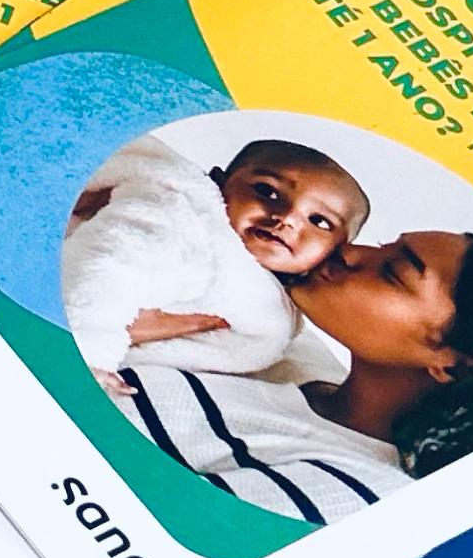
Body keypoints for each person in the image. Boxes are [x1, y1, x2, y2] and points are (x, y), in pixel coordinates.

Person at [114, 224, 473, 518]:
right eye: (383, 247)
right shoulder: (280, 344)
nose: (351, 252)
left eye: (394, 272)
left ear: (455, 366)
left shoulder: (350, 497)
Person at [63, 133, 366, 387]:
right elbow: (105, 265)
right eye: (267, 191)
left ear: (337, 250)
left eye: (319, 221)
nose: (286, 217)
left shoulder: (282, 309)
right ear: (220, 183)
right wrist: (91, 353)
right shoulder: (182, 217)